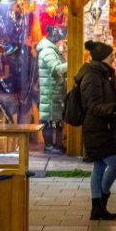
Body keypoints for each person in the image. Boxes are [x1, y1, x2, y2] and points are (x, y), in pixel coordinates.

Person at [77, 41, 116, 220]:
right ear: (102, 57)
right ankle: (102, 199)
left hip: (103, 126)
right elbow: (93, 106)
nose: (114, 58)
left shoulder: (102, 74)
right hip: (97, 127)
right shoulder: (93, 76)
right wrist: (115, 110)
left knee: (99, 166)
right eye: (111, 55)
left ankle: (97, 208)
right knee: (115, 164)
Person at [36, 26, 68, 154]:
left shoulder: (51, 50)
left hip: (53, 91)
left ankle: (57, 145)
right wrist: (71, 63)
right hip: (50, 92)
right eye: (61, 40)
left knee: (56, 119)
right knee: (49, 120)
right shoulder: (48, 51)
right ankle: (49, 146)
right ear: (56, 39)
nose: (62, 43)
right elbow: (55, 70)